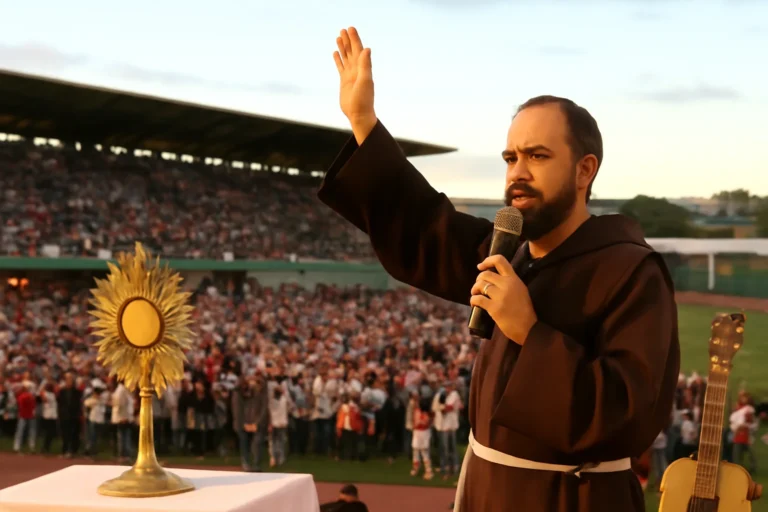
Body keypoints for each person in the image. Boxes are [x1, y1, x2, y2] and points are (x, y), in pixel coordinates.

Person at [319, 26, 680, 512]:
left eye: (537, 156)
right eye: (511, 157)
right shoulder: (510, 250)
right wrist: (363, 120)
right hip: (486, 491)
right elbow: (427, 225)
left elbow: (628, 415)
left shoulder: (632, 271)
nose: (517, 172)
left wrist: (529, 332)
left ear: (584, 170)